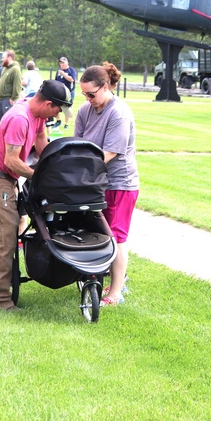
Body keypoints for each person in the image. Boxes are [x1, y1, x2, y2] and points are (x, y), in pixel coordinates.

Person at [0, 81, 70, 310]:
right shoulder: (20, 118)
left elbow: (42, 142)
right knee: (4, 240)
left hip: (1, 181)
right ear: (48, 103)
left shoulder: (37, 114)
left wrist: (52, 168)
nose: (59, 114)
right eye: (58, 109)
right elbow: (11, 160)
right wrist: (39, 177)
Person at [75, 62, 139, 306]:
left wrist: (79, 171)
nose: (88, 98)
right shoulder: (85, 110)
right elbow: (79, 145)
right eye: (84, 94)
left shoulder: (118, 113)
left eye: (91, 94)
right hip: (95, 183)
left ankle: (115, 293)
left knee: (116, 238)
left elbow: (109, 154)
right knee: (97, 233)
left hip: (119, 184)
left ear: (105, 87)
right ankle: (111, 276)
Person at [0, 49, 22, 120]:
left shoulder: (15, 69)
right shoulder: (4, 68)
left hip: (8, 100)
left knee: (7, 121)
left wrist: (13, 98)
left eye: (4, 57)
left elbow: (17, 85)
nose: (2, 59)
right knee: (1, 122)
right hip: (1, 99)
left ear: (10, 58)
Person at [54, 56, 78, 129]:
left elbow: (72, 80)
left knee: (67, 107)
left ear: (67, 63)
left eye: (63, 63)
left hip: (69, 92)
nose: (62, 64)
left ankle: (66, 124)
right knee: (55, 105)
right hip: (59, 92)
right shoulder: (58, 71)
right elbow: (56, 81)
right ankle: (58, 121)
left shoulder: (71, 70)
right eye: (60, 63)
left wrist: (63, 74)